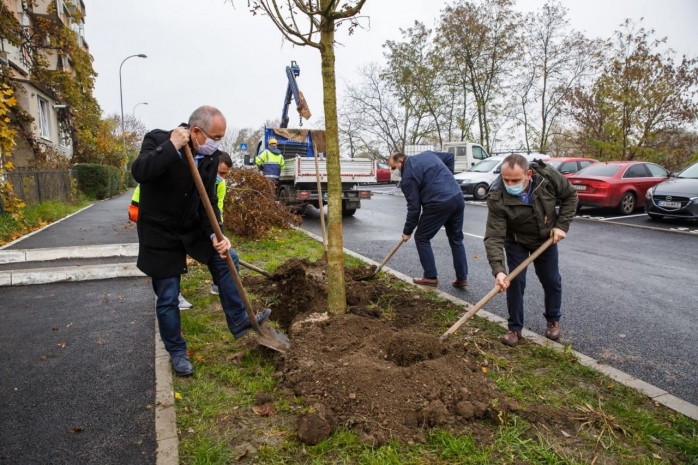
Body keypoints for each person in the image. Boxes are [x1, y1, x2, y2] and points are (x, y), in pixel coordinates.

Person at [131, 105, 271, 377]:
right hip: (159, 231)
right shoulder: (158, 140)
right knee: (169, 295)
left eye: (221, 138)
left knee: (228, 258)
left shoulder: (211, 158)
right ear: (196, 132)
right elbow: (140, 172)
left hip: (191, 227)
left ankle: (239, 319)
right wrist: (171, 146)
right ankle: (177, 352)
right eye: (215, 137)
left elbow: (207, 206)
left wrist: (217, 235)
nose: (218, 144)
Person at [483, 154, 578, 347]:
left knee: (551, 280)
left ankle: (553, 320)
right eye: (506, 179)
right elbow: (494, 236)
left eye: (515, 180)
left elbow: (570, 196)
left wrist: (561, 225)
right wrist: (499, 271)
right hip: (516, 240)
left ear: (528, 174)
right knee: (514, 282)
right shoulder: (497, 195)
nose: (510, 184)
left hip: (545, 239)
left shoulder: (547, 177)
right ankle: (514, 329)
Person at [388, 151, 468, 288]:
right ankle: (462, 278)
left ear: (400, 161)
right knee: (456, 240)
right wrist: (446, 181)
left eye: (394, 167)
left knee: (421, 237)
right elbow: (449, 157)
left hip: (438, 203)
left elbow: (414, 208)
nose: (394, 171)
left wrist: (407, 231)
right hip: (457, 197)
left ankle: (430, 276)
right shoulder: (428, 155)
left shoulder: (407, 178)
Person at [129, 185, 194, 311]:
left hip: (159, 216)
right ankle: (171, 296)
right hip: (148, 215)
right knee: (159, 260)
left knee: (166, 262)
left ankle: (171, 295)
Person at [210, 151, 232, 296]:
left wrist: (219, 230)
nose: (222, 178)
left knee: (219, 253)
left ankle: (216, 283)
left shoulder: (220, 184)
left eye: (225, 174)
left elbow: (218, 206)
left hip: (214, 221)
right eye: (220, 173)